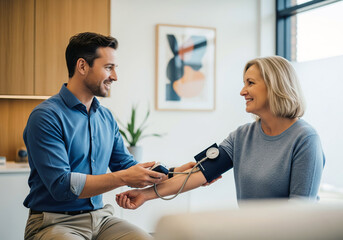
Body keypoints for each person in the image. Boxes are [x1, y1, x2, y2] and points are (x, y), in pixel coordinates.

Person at [23, 32, 193, 240]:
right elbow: (61, 185)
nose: (114, 77)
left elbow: (127, 167)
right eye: (108, 67)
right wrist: (123, 178)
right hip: (54, 222)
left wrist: (173, 173)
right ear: (83, 66)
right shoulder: (46, 117)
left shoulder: (105, 117)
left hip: (101, 219)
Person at [116, 55, 325, 210]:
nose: (243, 91)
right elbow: (197, 174)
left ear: (275, 86)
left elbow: (300, 216)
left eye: (250, 83)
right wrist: (144, 195)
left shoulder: (305, 139)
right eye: (244, 83)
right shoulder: (242, 136)